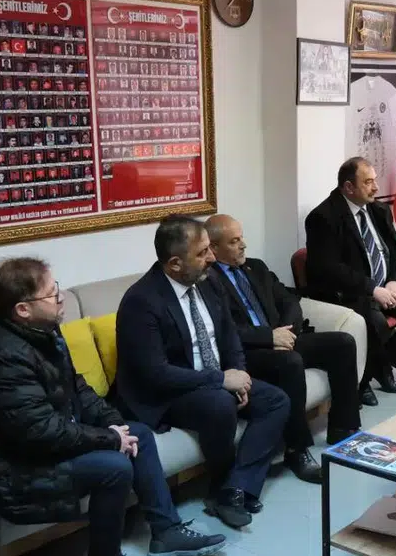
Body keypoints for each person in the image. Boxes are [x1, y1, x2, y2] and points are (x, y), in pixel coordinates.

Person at [0, 257, 224, 556]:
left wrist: (114, 424)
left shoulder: (41, 332)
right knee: (113, 467)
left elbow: (76, 388)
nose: (60, 297)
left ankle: (166, 532)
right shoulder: (1, 357)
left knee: (138, 433)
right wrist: (110, 440)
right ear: (23, 309)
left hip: (45, 443)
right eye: (51, 293)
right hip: (13, 466)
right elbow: (39, 432)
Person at [113, 215, 290, 530]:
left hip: (210, 378)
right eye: (202, 252)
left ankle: (234, 489)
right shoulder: (141, 301)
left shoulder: (208, 283)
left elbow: (229, 336)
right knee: (219, 404)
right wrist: (221, 380)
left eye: (209, 248)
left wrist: (237, 372)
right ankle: (223, 483)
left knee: (276, 401)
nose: (211, 258)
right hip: (168, 392)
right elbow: (156, 374)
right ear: (175, 263)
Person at [205, 213, 361, 464]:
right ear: (213, 248)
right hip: (248, 351)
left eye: (241, 237)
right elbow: (222, 329)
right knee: (290, 362)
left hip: (281, 337)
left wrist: (286, 332)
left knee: (342, 343)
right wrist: (269, 337)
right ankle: (296, 449)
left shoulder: (256, 267)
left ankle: (344, 428)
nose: (243, 245)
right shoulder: (207, 280)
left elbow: (289, 300)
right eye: (234, 241)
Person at [303, 157, 396, 395]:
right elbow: (328, 268)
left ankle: (378, 367)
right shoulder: (323, 217)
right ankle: (369, 377)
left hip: (387, 286)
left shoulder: (378, 210)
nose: (376, 188)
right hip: (350, 292)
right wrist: (372, 289)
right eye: (368, 182)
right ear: (349, 187)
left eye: (374, 181)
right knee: (376, 324)